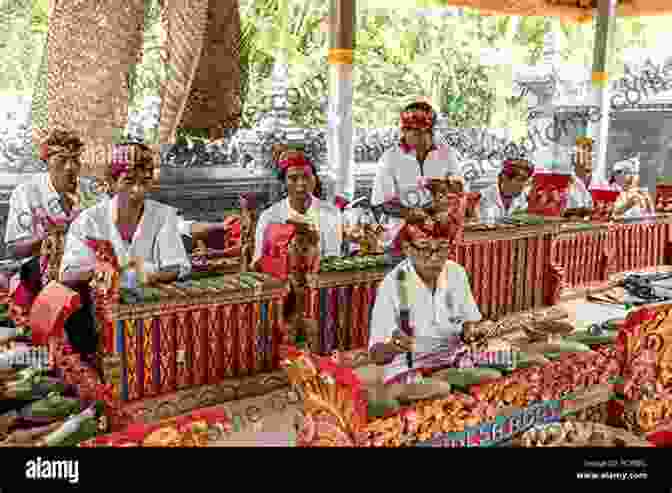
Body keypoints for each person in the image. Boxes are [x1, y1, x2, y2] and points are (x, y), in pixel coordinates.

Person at [59, 143, 191, 357]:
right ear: (111, 183)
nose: (137, 190)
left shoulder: (163, 215)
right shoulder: (90, 220)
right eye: (129, 181)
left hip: (150, 315)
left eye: (144, 182)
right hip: (100, 317)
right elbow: (67, 274)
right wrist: (100, 271)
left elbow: (178, 267)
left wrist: (151, 274)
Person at [368, 208, 482, 385]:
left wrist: (472, 332)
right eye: (424, 248)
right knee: (439, 389)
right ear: (407, 249)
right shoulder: (392, 285)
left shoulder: (456, 273)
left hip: (453, 362)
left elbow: (469, 324)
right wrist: (393, 347)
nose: (434, 257)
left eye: (442, 248)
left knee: (499, 375)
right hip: (409, 369)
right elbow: (376, 354)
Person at [4, 129, 95, 321]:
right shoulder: (26, 193)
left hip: (85, 272)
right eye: (62, 160)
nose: (70, 167)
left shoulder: (91, 192)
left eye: (75, 160)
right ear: (46, 162)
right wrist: (51, 238)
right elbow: (14, 249)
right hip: (39, 274)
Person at [370, 102, 460, 239]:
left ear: (430, 130)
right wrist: (409, 212)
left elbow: (458, 190)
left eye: (418, 131)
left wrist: (442, 192)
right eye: (406, 129)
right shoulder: (389, 158)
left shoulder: (448, 154)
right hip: (400, 237)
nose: (408, 134)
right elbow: (380, 203)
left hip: (441, 234)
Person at [251, 147, 342, 266]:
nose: (301, 184)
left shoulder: (331, 213)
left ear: (314, 179)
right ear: (284, 182)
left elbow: (333, 258)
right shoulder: (269, 217)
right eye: (293, 178)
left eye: (306, 176)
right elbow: (258, 261)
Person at [565, 137, 594, 215]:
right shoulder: (576, 153)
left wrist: (588, 175)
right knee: (579, 193)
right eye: (586, 146)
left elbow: (588, 168)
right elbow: (573, 165)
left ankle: (575, 210)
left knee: (579, 193)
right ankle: (577, 209)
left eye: (589, 146)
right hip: (575, 176)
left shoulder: (587, 155)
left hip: (581, 177)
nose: (589, 148)